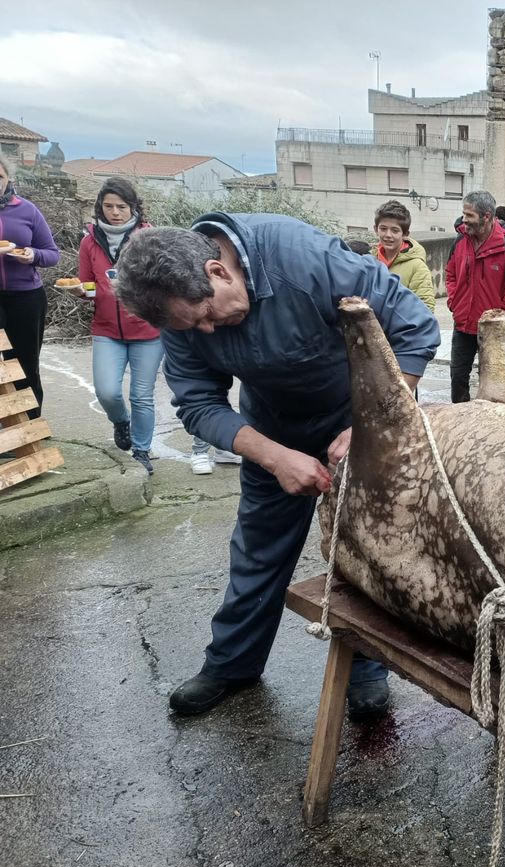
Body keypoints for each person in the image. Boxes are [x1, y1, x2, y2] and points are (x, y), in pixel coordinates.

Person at [115, 213, 440, 720]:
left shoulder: (304, 259)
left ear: (217, 272)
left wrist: (372, 421)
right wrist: (273, 455)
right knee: (258, 548)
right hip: (273, 427)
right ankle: (232, 663)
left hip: (359, 417)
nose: (205, 331)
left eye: (206, 316)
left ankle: (366, 667)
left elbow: (415, 328)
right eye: (191, 326)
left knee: (364, 547)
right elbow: (198, 402)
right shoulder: (180, 312)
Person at [66, 178, 161, 472]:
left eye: (122, 206)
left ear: (133, 207)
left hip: (148, 331)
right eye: (109, 206)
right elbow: (87, 284)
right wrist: (81, 291)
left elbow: (163, 283)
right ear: (100, 207)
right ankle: (121, 421)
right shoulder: (89, 241)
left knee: (142, 396)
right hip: (107, 329)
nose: (115, 212)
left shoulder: (149, 238)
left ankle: (142, 451)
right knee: (107, 392)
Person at [0, 154, 61, 419]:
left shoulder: (27, 210)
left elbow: (52, 254)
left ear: (8, 179)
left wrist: (33, 255)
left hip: (26, 297)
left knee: (25, 362)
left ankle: (31, 424)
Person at [445, 190, 505, 403]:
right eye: (464, 214)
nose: (464, 219)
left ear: (486, 216)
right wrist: (454, 301)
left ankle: (490, 418)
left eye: (469, 215)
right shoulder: (460, 241)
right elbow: (450, 274)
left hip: (493, 328)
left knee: (493, 380)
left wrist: (502, 311)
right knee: (458, 376)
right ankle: (461, 417)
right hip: (463, 323)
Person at [372, 200, 436, 313]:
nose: (388, 235)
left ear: (405, 234)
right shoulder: (369, 261)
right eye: (383, 229)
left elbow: (425, 309)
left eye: (395, 231)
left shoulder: (417, 267)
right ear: (375, 229)